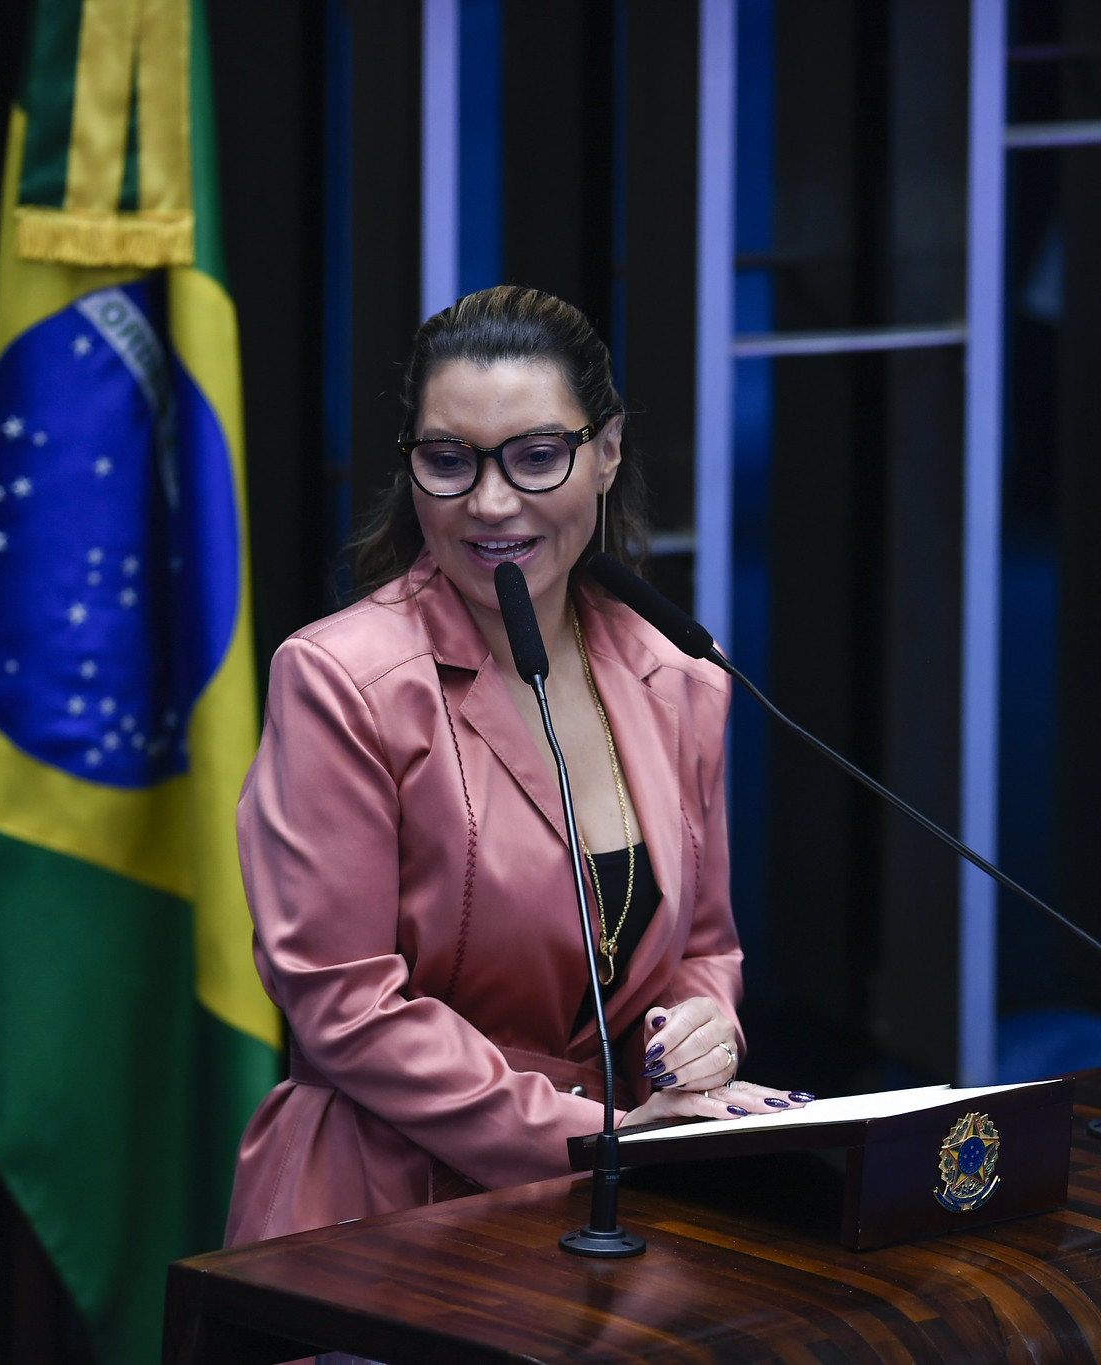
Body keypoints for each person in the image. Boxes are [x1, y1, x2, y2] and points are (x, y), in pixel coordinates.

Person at [225, 285, 808, 1248]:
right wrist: (599, 1138)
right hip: (383, 1211)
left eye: (536, 456)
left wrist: (703, 1031)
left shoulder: (678, 676)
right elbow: (347, 1009)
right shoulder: (338, 680)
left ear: (607, 451)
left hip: (609, 1202)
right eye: (449, 462)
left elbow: (701, 946)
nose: (491, 502)